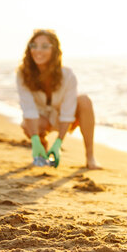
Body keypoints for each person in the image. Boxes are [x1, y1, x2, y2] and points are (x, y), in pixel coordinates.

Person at [16, 29, 101, 169]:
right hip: (41, 118)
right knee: (26, 125)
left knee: (84, 101)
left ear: (54, 50)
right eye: (34, 45)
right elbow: (28, 109)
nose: (38, 50)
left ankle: (90, 156)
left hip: (64, 118)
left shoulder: (67, 76)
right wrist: (35, 140)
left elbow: (68, 112)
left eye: (45, 46)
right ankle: (41, 148)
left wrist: (58, 142)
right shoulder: (22, 74)